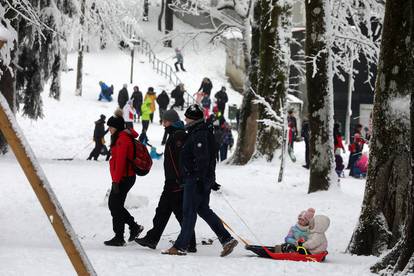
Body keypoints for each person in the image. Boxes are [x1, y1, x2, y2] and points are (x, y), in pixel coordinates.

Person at [162, 104, 238, 256]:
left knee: (189, 212)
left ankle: (180, 246)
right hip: (200, 179)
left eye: (187, 117)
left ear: (193, 119)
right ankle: (226, 239)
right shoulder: (198, 131)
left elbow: (203, 159)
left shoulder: (199, 134)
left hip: (196, 181)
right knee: (203, 209)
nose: (185, 119)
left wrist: (198, 178)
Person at [135, 110, 196, 251]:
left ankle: (189, 242)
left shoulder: (178, 136)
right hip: (171, 181)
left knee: (180, 213)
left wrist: (179, 180)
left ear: (172, 121)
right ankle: (152, 238)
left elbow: (180, 161)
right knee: (162, 211)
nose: (163, 124)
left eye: (165, 121)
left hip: (175, 182)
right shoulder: (174, 134)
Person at [104, 109, 143, 246]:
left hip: (123, 178)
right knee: (116, 205)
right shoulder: (121, 137)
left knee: (114, 205)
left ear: (117, 127)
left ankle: (121, 235)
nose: (109, 129)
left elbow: (120, 162)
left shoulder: (122, 140)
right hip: (124, 177)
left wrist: (115, 181)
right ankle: (131, 228)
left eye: (111, 127)